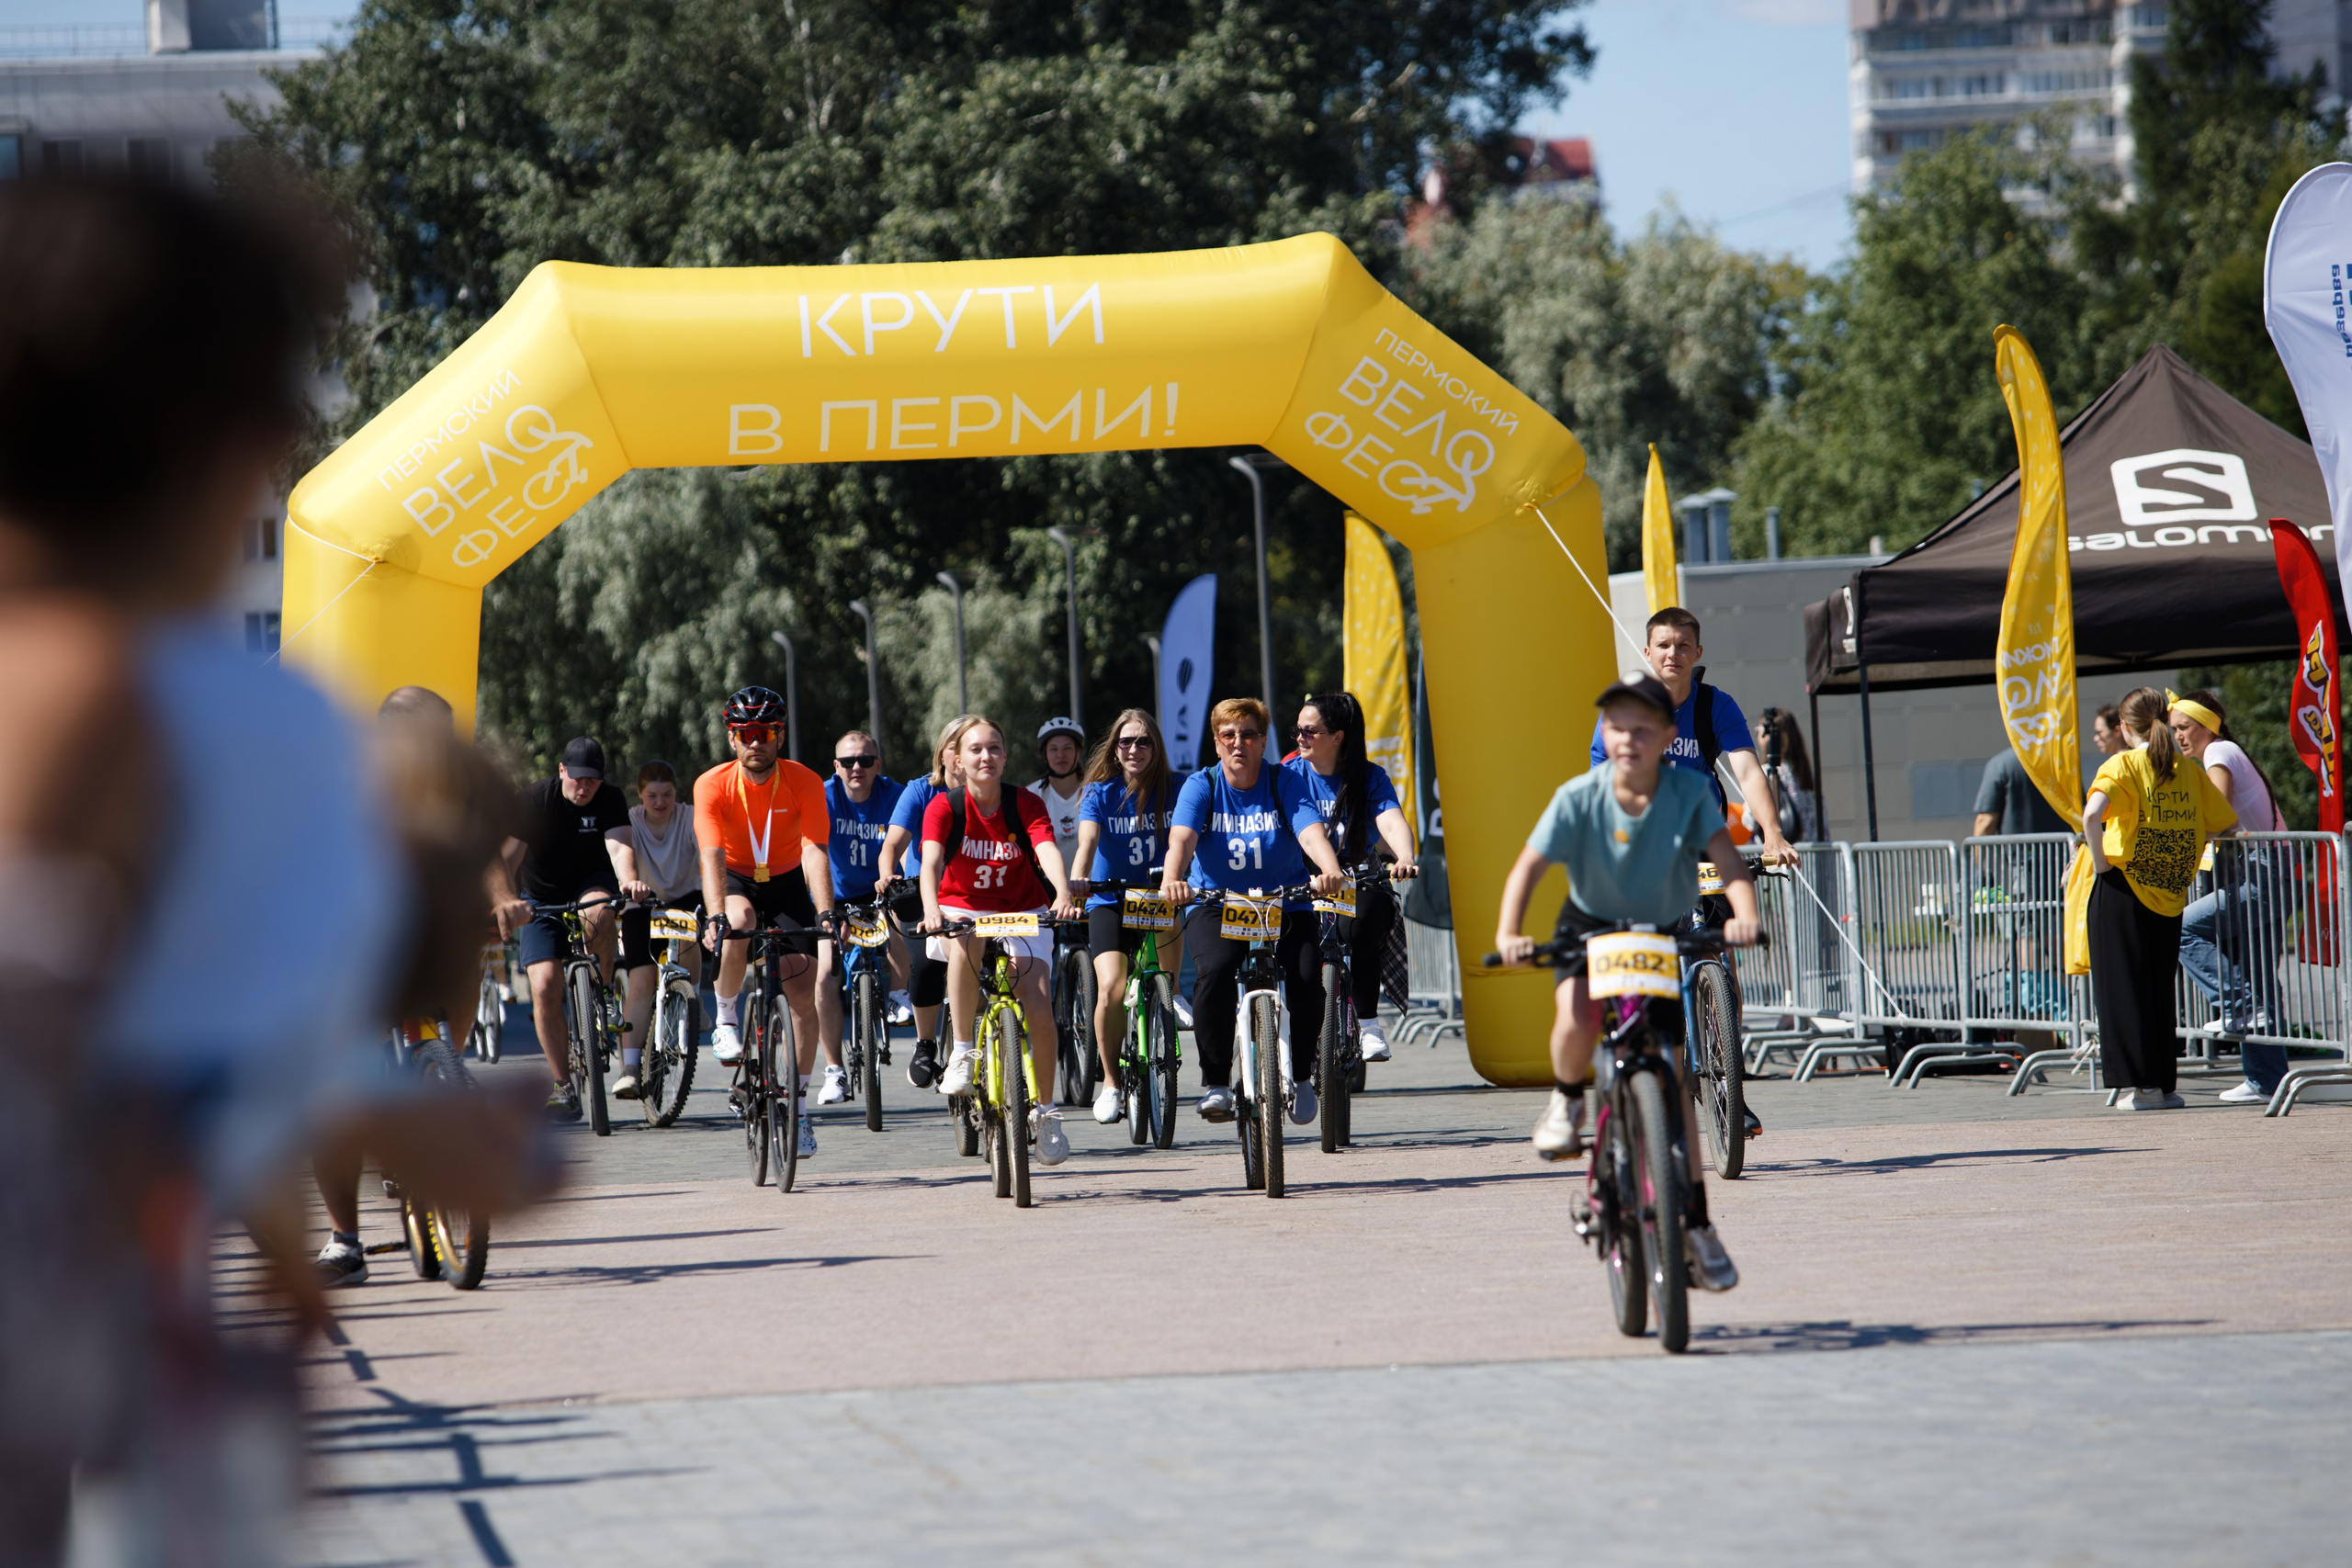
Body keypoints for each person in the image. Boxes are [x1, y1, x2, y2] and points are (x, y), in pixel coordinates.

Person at [1492, 673, 1760, 1292]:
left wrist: (1745, 915)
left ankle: (1694, 1222)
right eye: (1616, 727)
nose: (1628, 739)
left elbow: (1727, 861)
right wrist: (1511, 930)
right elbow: (1528, 868)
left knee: (1673, 1073)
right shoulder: (1579, 796)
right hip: (1589, 925)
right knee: (1578, 1017)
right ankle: (1566, 1098)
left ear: (1669, 736)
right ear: (1602, 734)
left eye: (1643, 729)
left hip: (1659, 929)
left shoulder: (1689, 792)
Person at [1159, 697, 1349, 1125]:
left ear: (1263, 741)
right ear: (1216, 742)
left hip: (1286, 898)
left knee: (1305, 979)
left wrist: (1330, 869)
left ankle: (1301, 1075)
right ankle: (1217, 1084)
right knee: (1216, 971)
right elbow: (1183, 840)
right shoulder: (1201, 785)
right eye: (1229, 735)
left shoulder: (1285, 781)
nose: (1238, 743)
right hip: (1218, 901)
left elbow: (1310, 832)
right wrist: (1173, 877)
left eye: (1248, 734)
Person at [918, 716, 1084, 1164]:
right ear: (958, 760)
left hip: (1021, 910)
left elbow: (1046, 849)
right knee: (968, 943)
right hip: (960, 908)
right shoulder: (945, 807)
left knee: (1037, 999)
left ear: (1005, 757)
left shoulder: (1025, 803)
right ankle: (964, 1052)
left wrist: (1063, 894)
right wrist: (932, 910)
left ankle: (1047, 1113)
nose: (985, 757)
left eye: (994, 748)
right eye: (975, 750)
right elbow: (930, 864)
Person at [693, 686, 835, 1159]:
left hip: (788, 879)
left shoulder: (805, 781)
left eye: (767, 732)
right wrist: (715, 913)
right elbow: (710, 854)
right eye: (747, 733)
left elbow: (815, 849)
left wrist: (826, 910)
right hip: (735, 880)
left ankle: (797, 1108)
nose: (757, 742)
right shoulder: (712, 784)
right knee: (740, 919)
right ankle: (727, 1017)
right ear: (733, 739)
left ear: (780, 736)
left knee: (802, 990)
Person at [2083, 687, 2237, 1111]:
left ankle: (2144, 1089)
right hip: (2169, 887)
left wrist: (2099, 865)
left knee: (2122, 989)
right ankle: (2164, 1086)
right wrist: (2180, 850)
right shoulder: (2186, 768)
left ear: (2123, 728)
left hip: (2123, 885)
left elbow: (2092, 815)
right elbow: (2221, 821)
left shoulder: (2125, 764)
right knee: (2157, 990)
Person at [486, 737, 651, 1121]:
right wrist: (502, 902)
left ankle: (605, 990)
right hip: (540, 898)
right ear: (561, 771)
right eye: (577, 779)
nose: (584, 787)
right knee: (544, 985)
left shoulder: (609, 799)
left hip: (589, 884)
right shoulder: (534, 801)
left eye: (592, 780)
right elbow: (506, 857)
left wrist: (628, 881)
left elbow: (619, 846)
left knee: (599, 913)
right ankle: (563, 1085)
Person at [1590, 607, 1797, 869]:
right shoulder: (1623, 711)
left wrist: (1772, 833)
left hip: (1702, 841)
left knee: (1730, 907)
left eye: (1683, 645)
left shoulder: (1716, 705)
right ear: (1647, 653)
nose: (1672, 654)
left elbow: (1748, 773)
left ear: (1698, 652)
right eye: (1663, 645)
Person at [1284, 692, 1419, 1063]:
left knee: (1364, 927)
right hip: (1304, 880)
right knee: (1292, 943)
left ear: (1338, 736)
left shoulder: (1369, 777)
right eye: (1297, 730)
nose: (1299, 738)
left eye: (1309, 731)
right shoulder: (1288, 774)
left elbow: (1391, 820)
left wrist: (1405, 856)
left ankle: (1371, 1027)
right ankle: (1279, 1027)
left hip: (1359, 876)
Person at [2168, 688, 2289, 1101]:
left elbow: (2216, 813)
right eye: (2174, 729)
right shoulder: (2225, 751)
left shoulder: (2218, 753)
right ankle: (2266, 1079)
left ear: (2207, 726)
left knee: (2182, 927)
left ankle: (2235, 1004)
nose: (2179, 736)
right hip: (2273, 871)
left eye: (2184, 728)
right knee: (2258, 978)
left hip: (2267, 875)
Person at [1069, 708, 1184, 1123]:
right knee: (1112, 988)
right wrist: (1077, 881)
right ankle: (1111, 1083)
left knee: (1169, 905)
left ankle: (1170, 994)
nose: (1134, 749)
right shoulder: (1099, 791)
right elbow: (1086, 843)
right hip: (1109, 899)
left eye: (1143, 742)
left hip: (1156, 895)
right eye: (1126, 742)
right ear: (1115, 749)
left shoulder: (1178, 788)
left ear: (1157, 747)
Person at [813, 729, 914, 1106]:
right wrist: (826, 908)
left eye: (866, 761)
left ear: (878, 765)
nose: (858, 767)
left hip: (881, 887)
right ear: (836, 766)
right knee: (825, 974)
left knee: (901, 918)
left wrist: (899, 885)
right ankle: (834, 1071)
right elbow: (813, 854)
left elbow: (906, 846)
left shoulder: (896, 795)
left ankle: (898, 993)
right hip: (834, 895)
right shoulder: (822, 796)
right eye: (849, 761)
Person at [878, 715, 978, 1088]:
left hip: (975, 892)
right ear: (945, 754)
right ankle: (925, 1044)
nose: (965, 756)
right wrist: (888, 874)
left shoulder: (992, 793)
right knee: (925, 963)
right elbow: (892, 844)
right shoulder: (921, 791)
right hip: (925, 891)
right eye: (958, 747)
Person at [611, 761, 703, 1101]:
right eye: (652, 795)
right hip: (643, 901)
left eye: (667, 795)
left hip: (685, 896)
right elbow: (622, 851)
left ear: (676, 794)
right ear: (641, 795)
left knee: (689, 940)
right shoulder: (632, 821)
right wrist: (629, 883)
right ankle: (630, 1070)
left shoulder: (689, 816)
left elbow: (705, 850)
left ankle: (692, 1000)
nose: (660, 802)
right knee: (642, 981)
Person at [1755, 706, 1822, 844]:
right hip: (1812, 855)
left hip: (1783, 856)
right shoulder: (1804, 772)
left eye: (1759, 731)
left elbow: (1750, 821)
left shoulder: (1768, 772)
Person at [1973, 745, 2070, 838]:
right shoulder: (2061, 762)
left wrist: (1978, 855)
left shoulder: (2001, 764)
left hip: (2017, 852)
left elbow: (1986, 822)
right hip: (2061, 852)